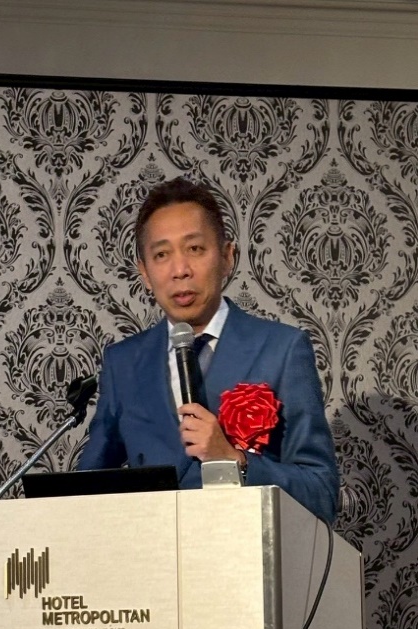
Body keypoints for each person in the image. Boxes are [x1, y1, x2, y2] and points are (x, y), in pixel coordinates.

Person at [78, 176, 339, 524]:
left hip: (245, 547)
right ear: (144, 272)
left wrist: (236, 461)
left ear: (227, 257)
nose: (180, 270)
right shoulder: (123, 363)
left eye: (195, 249)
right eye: (161, 255)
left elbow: (321, 494)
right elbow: (84, 492)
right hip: (153, 550)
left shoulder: (282, 349)